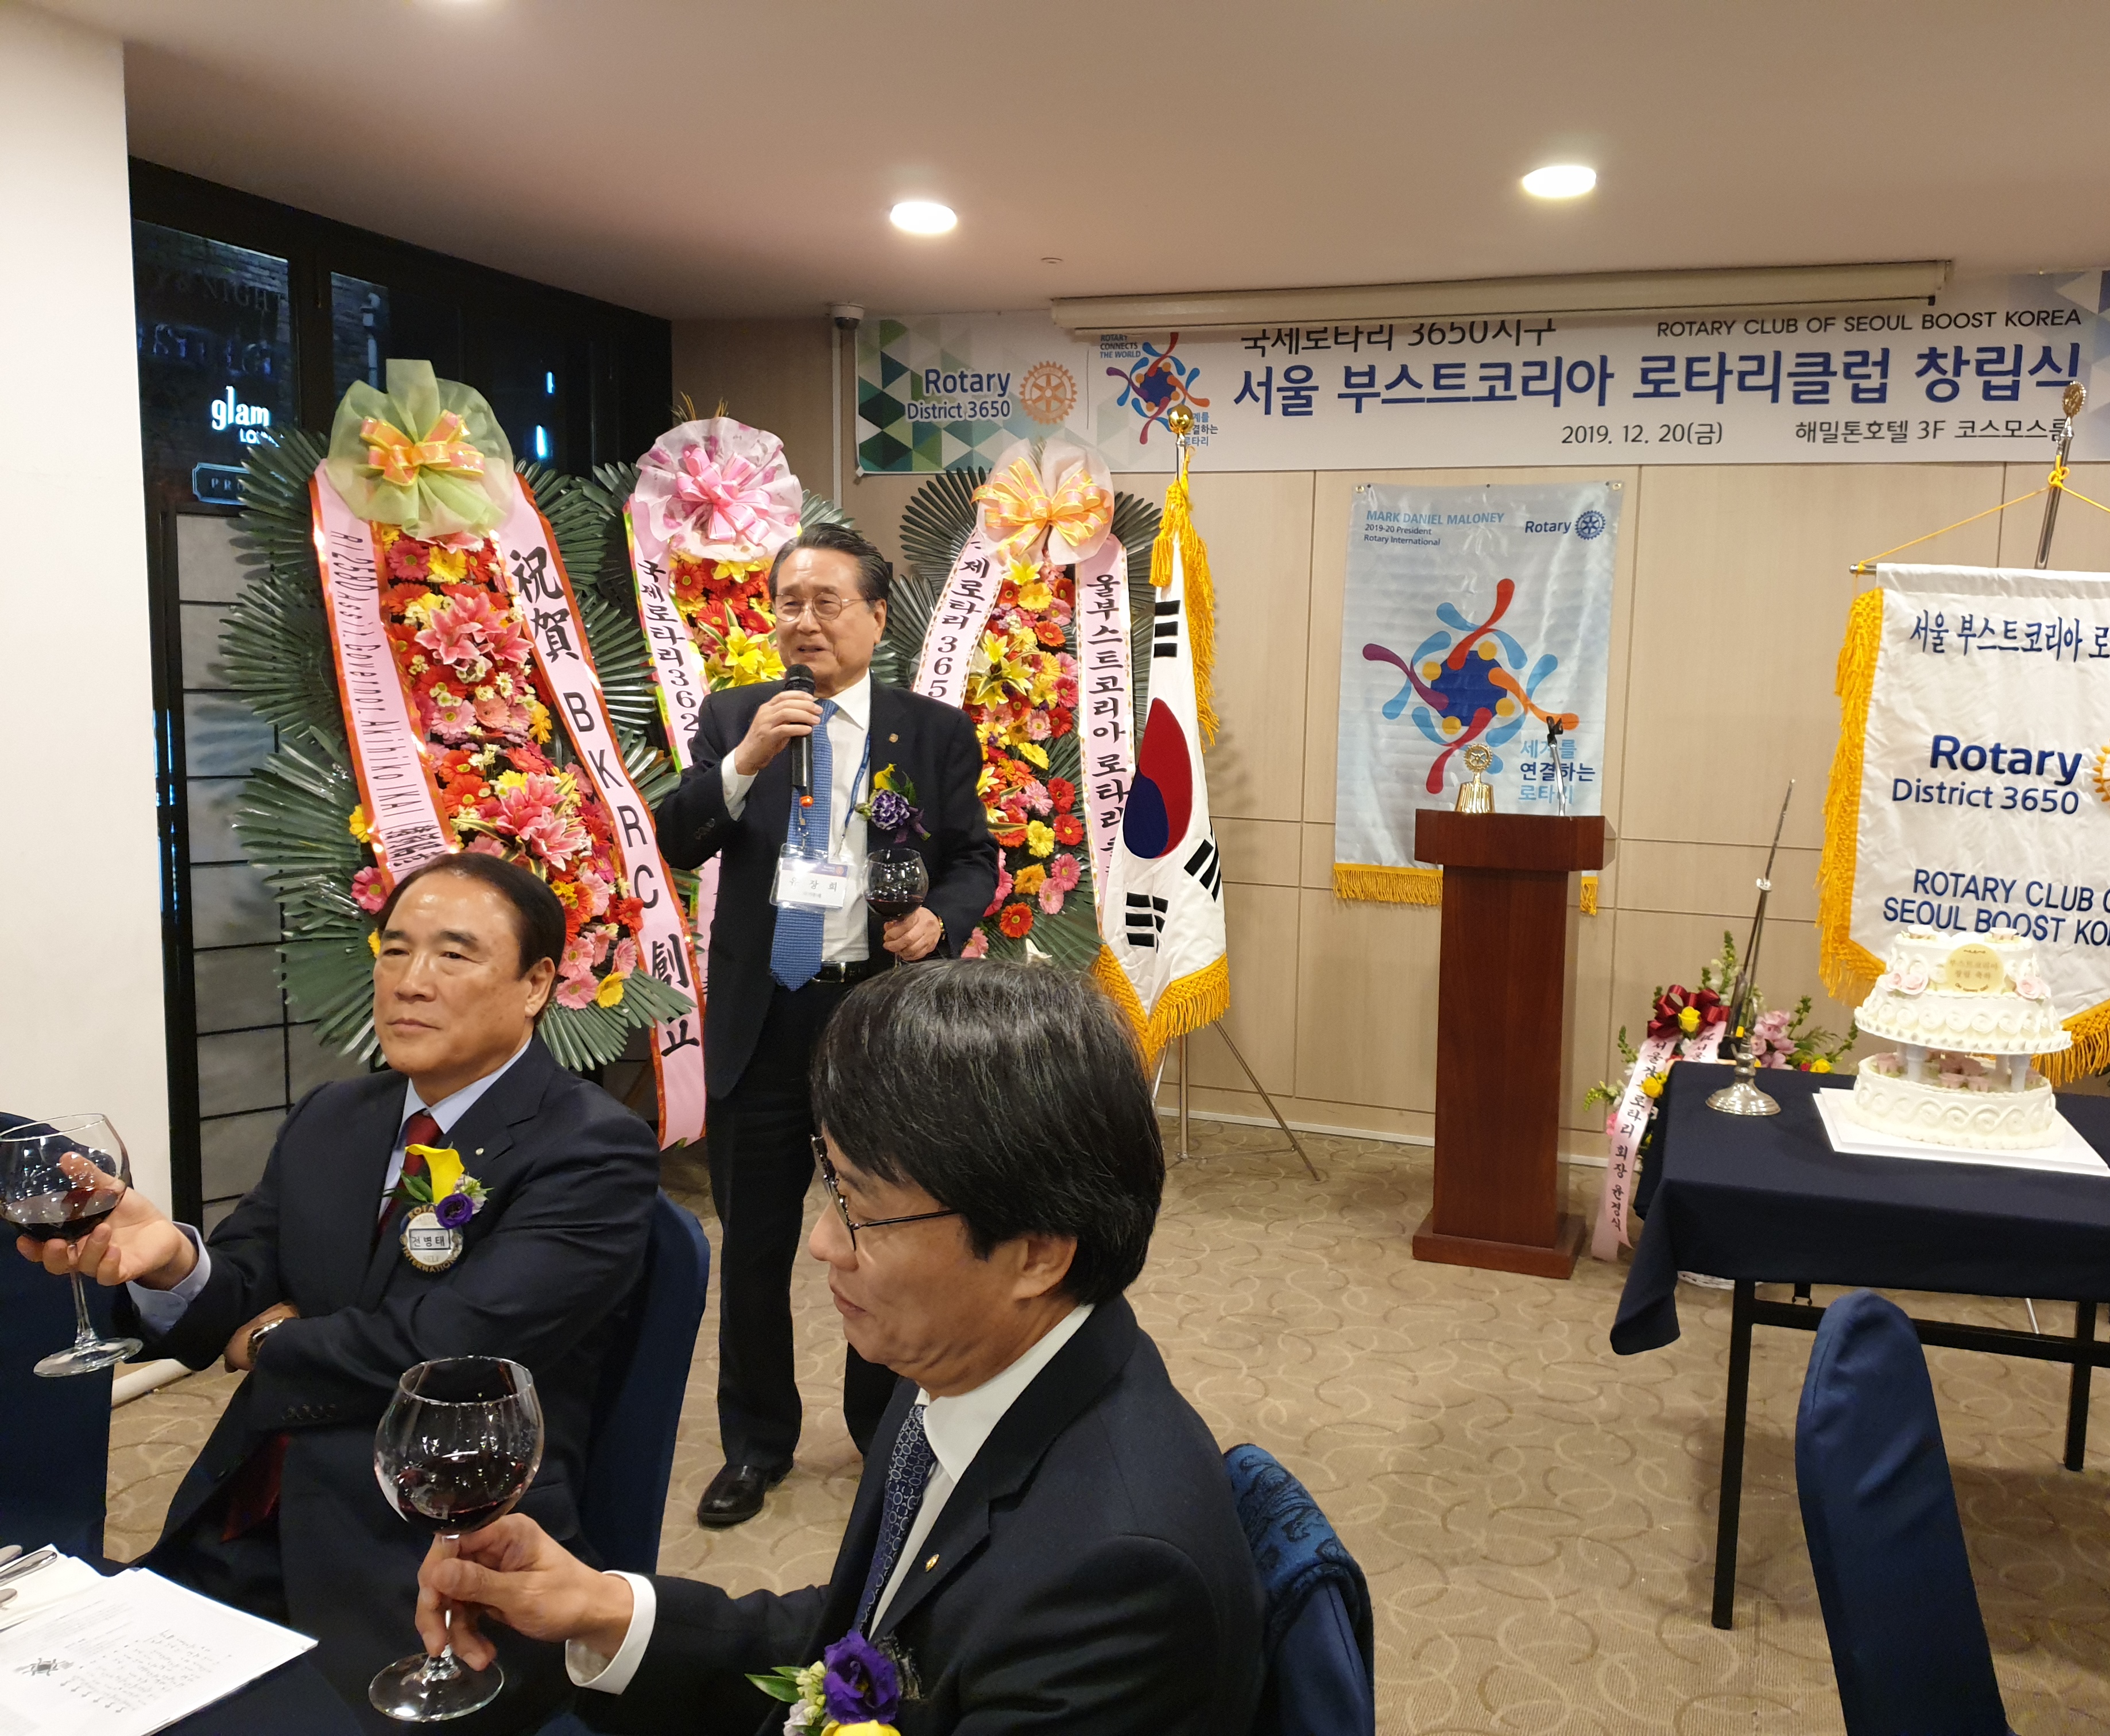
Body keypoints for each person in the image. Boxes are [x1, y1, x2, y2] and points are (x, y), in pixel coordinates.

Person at [412, 961, 1264, 1736]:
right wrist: (603, 1610)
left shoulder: (1117, 1580)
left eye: (863, 1210)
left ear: (1037, 1253)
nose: (823, 1243)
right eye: (832, 1189)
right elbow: (868, 1637)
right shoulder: (963, 1370)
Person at [17, 852, 658, 1732]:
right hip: (244, 1521)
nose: (410, 982)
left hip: (430, 1562)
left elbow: (444, 1352)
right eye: (394, 951)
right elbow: (238, 1284)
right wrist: (172, 1263)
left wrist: (268, 1341)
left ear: (537, 984)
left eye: (454, 955)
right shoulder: (334, 1116)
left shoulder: (591, 1148)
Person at [654, 522, 996, 1527]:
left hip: (875, 1015)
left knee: (885, 1230)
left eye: (827, 602)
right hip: (766, 1014)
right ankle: (755, 1445)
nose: (804, 621)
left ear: (877, 618)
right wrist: (745, 761)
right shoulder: (736, 716)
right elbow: (680, 836)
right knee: (755, 1247)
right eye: (788, 603)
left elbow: (975, 857)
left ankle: (879, 1430)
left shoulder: (932, 732)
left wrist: (943, 919)